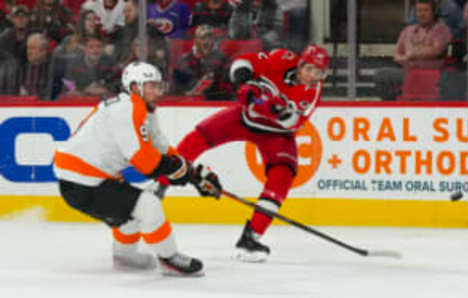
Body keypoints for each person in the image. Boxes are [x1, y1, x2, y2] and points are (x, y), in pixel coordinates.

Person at [53, 61, 222, 276]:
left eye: (158, 85)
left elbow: (162, 149)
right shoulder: (127, 109)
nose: (157, 91)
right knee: (148, 205)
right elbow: (145, 161)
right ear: (134, 87)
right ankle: (169, 259)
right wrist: (181, 172)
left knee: (129, 214)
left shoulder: (141, 110)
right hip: (82, 182)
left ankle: (125, 257)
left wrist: (195, 174)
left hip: (87, 180)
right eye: (151, 85)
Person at [176, 45, 329, 262]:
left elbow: (291, 122)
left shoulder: (312, 93)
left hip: (276, 135)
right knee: (199, 136)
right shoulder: (282, 58)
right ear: (301, 64)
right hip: (243, 118)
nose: (314, 77)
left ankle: (251, 237)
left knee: (283, 175)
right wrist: (243, 82)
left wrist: (266, 105)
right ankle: (163, 177)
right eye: (311, 70)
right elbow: (243, 62)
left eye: (320, 73)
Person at [373, 0, 452, 101]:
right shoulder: (407, 31)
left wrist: (413, 54)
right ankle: (392, 106)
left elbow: (437, 50)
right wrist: (405, 59)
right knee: (381, 74)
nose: (421, 14)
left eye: (426, 10)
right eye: (418, 11)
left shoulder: (442, 30)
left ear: (433, 13)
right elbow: (397, 55)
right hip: (408, 72)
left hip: (432, 74)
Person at [173, 24, 233, 99]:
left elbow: (228, 87)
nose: (208, 42)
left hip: (214, 101)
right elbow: (178, 88)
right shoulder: (185, 60)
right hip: (188, 102)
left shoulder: (222, 58)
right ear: (195, 41)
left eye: (210, 38)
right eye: (203, 38)